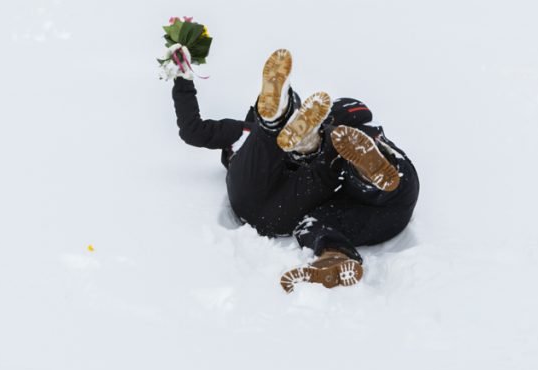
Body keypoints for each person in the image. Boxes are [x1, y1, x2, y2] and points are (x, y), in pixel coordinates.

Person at [166, 46, 419, 292]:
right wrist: (182, 77)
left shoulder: (334, 136)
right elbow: (193, 129)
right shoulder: (241, 132)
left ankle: (334, 253)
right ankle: (294, 135)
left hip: (287, 208)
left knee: (324, 181)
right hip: (258, 192)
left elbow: (360, 112)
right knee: (311, 160)